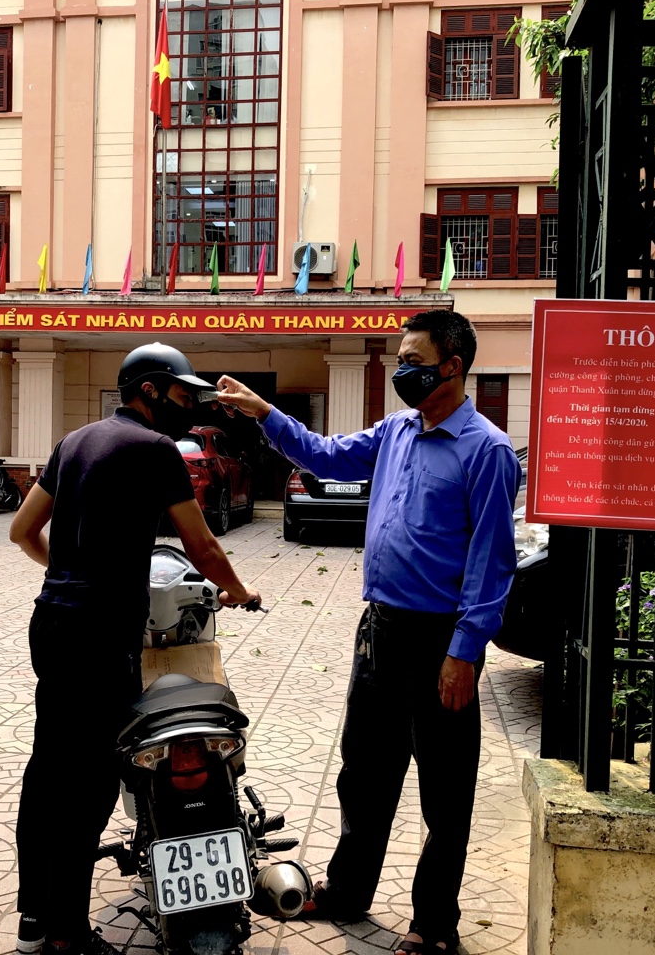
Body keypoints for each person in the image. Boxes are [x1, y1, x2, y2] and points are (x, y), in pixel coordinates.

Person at [215, 309, 520, 955]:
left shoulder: (487, 451)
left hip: (441, 642)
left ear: (452, 367)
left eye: (413, 361)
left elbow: (492, 562)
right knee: (365, 773)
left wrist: (464, 652)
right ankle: (349, 890)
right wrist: (264, 413)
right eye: (400, 360)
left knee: (444, 792)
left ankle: (434, 925)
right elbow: (324, 456)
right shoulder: (396, 431)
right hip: (379, 630)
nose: (402, 371)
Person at [9, 342, 262, 955]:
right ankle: (67, 933)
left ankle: (34, 916)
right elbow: (202, 546)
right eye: (182, 393)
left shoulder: (74, 442)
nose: (189, 405)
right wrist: (240, 592)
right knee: (92, 780)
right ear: (149, 389)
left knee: (49, 769)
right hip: (101, 635)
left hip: (53, 623)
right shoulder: (156, 449)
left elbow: (21, 530)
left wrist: (70, 575)